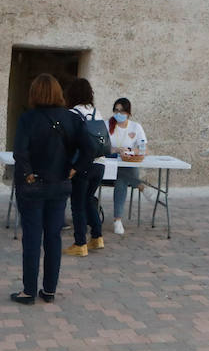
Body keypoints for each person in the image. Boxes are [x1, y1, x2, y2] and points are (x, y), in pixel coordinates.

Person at [8, 74, 79, 305]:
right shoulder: (71, 118)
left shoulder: (28, 119)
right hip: (59, 183)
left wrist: (28, 174)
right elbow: (89, 146)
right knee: (53, 237)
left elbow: (20, 151)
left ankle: (29, 290)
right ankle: (49, 290)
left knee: (32, 237)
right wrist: (75, 168)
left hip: (33, 185)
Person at [63, 77, 106, 256]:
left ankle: (80, 243)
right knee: (89, 200)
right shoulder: (97, 112)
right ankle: (97, 237)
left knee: (77, 204)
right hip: (100, 164)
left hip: (83, 165)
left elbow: (68, 141)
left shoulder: (72, 114)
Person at [107, 97, 148, 235]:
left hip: (127, 165)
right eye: (116, 110)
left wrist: (129, 151)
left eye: (122, 111)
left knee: (122, 180)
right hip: (109, 167)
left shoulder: (136, 127)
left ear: (128, 113)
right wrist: (116, 150)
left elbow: (143, 149)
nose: (119, 114)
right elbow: (102, 147)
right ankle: (140, 185)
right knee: (123, 175)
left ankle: (117, 219)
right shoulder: (108, 125)